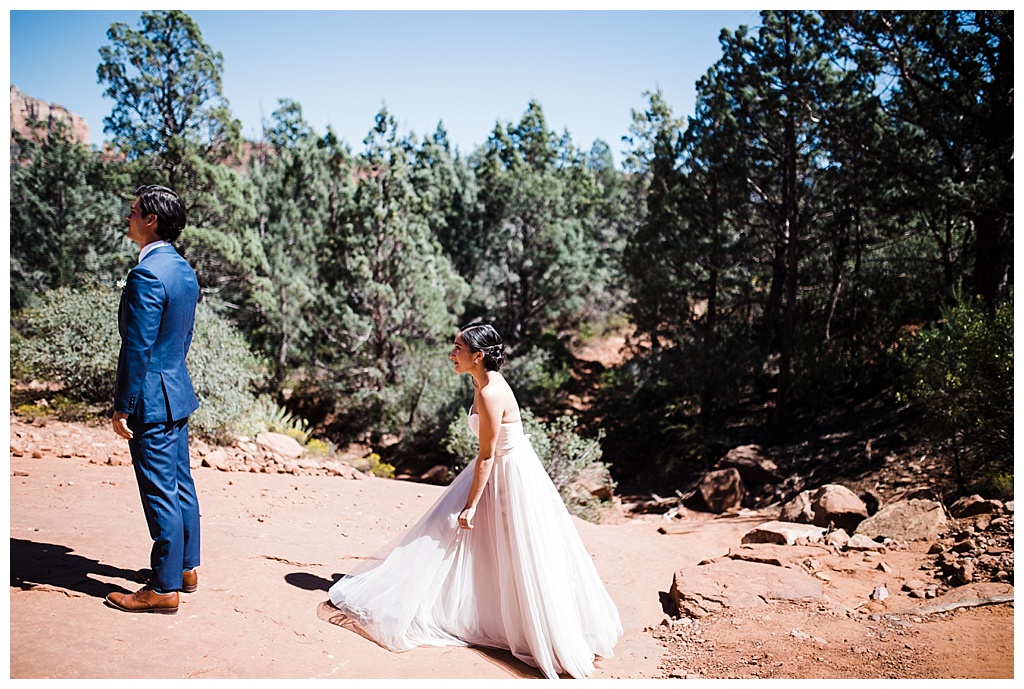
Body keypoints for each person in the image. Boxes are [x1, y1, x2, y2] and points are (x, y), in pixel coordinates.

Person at [327, 323, 622, 678]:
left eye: (458, 348)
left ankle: (537, 631)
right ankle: (480, 614)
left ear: (478, 355)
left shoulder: (490, 393)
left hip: (507, 474)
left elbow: (487, 456)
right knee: (477, 545)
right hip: (501, 467)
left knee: (508, 548)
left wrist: (470, 505)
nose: (452, 354)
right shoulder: (482, 381)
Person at [105, 185, 201, 615]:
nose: (128, 217)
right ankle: (184, 568)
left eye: (134, 212)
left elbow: (137, 346)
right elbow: (184, 336)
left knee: (160, 491)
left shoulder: (146, 273)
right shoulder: (182, 269)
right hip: (176, 391)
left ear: (152, 221)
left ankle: (162, 589)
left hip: (150, 398)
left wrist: (123, 402)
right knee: (180, 484)